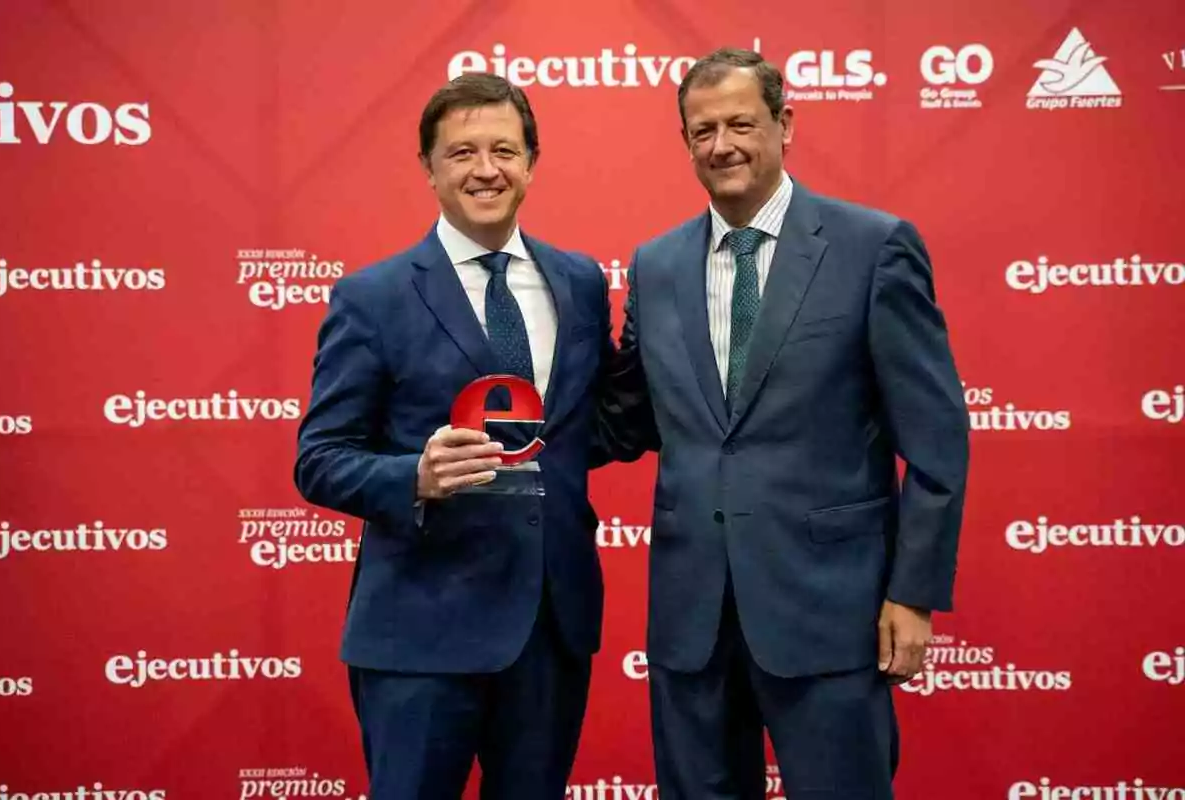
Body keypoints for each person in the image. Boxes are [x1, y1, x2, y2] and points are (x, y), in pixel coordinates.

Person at [598, 48, 971, 798]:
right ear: (686, 142)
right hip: (691, 618)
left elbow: (935, 440)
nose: (722, 146)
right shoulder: (656, 264)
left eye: (741, 123)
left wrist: (913, 592)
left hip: (831, 610)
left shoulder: (873, 247)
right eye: (702, 131)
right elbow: (627, 420)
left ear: (784, 124)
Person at [294, 73, 613, 799]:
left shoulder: (581, 283)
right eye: (462, 152)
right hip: (419, 632)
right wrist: (414, 475)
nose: (485, 169)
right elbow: (319, 459)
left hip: (549, 627)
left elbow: (593, 425)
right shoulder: (371, 297)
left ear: (532, 161)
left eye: (504, 149)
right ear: (430, 170)